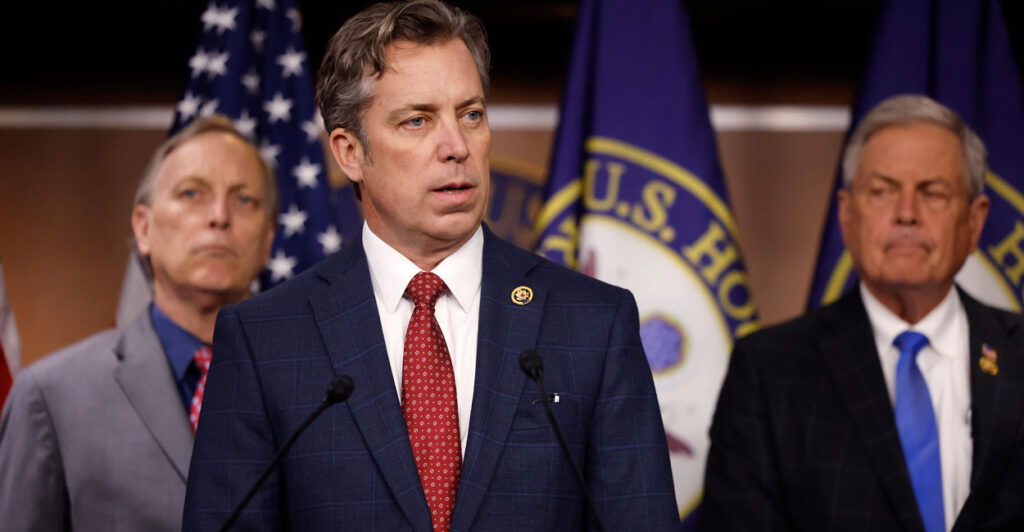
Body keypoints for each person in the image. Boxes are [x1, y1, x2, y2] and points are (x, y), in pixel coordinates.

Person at [182, 1, 679, 530]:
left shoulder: (593, 324)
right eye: (417, 120)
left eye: (471, 114)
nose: (457, 146)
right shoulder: (265, 340)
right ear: (350, 152)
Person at [701, 94, 1024, 531]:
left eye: (932, 193)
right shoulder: (768, 373)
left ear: (975, 221)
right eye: (882, 191)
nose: (906, 214)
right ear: (847, 216)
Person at [0, 115, 277, 532]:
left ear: (268, 240)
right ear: (143, 228)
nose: (219, 216)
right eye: (191, 193)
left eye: (244, 200)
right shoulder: (50, 396)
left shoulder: (321, 387)